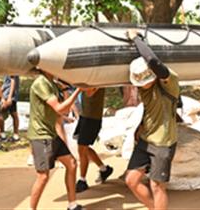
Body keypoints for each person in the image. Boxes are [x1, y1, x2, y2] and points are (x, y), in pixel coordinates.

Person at [125, 29, 179, 210]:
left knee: (157, 186)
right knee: (131, 180)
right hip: (145, 139)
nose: (143, 84)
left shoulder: (169, 82)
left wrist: (135, 39)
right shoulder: (144, 88)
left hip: (163, 142)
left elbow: (154, 62)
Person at [28, 71, 83, 210]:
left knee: (71, 164)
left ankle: (72, 205)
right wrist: (78, 90)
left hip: (51, 133)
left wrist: (64, 89)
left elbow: (62, 111)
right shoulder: (41, 82)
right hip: (41, 135)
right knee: (43, 177)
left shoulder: (52, 83)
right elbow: (59, 108)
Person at [74, 87, 113, 193]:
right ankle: (104, 169)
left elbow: (90, 92)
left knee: (82, 148)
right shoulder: (90, 78)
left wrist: (78, 87)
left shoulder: (96, 79)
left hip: (91, 119)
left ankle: (82, 180)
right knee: (83, 148)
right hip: (85, 116)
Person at [0, 75, 20, 142]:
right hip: (8, 94)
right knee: (13, 114)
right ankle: (15, 135)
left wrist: (9, 97)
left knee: (1, 113)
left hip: (8, 95)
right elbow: (7, 83)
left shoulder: (10, 68)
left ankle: (3, 135)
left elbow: (12, 81)